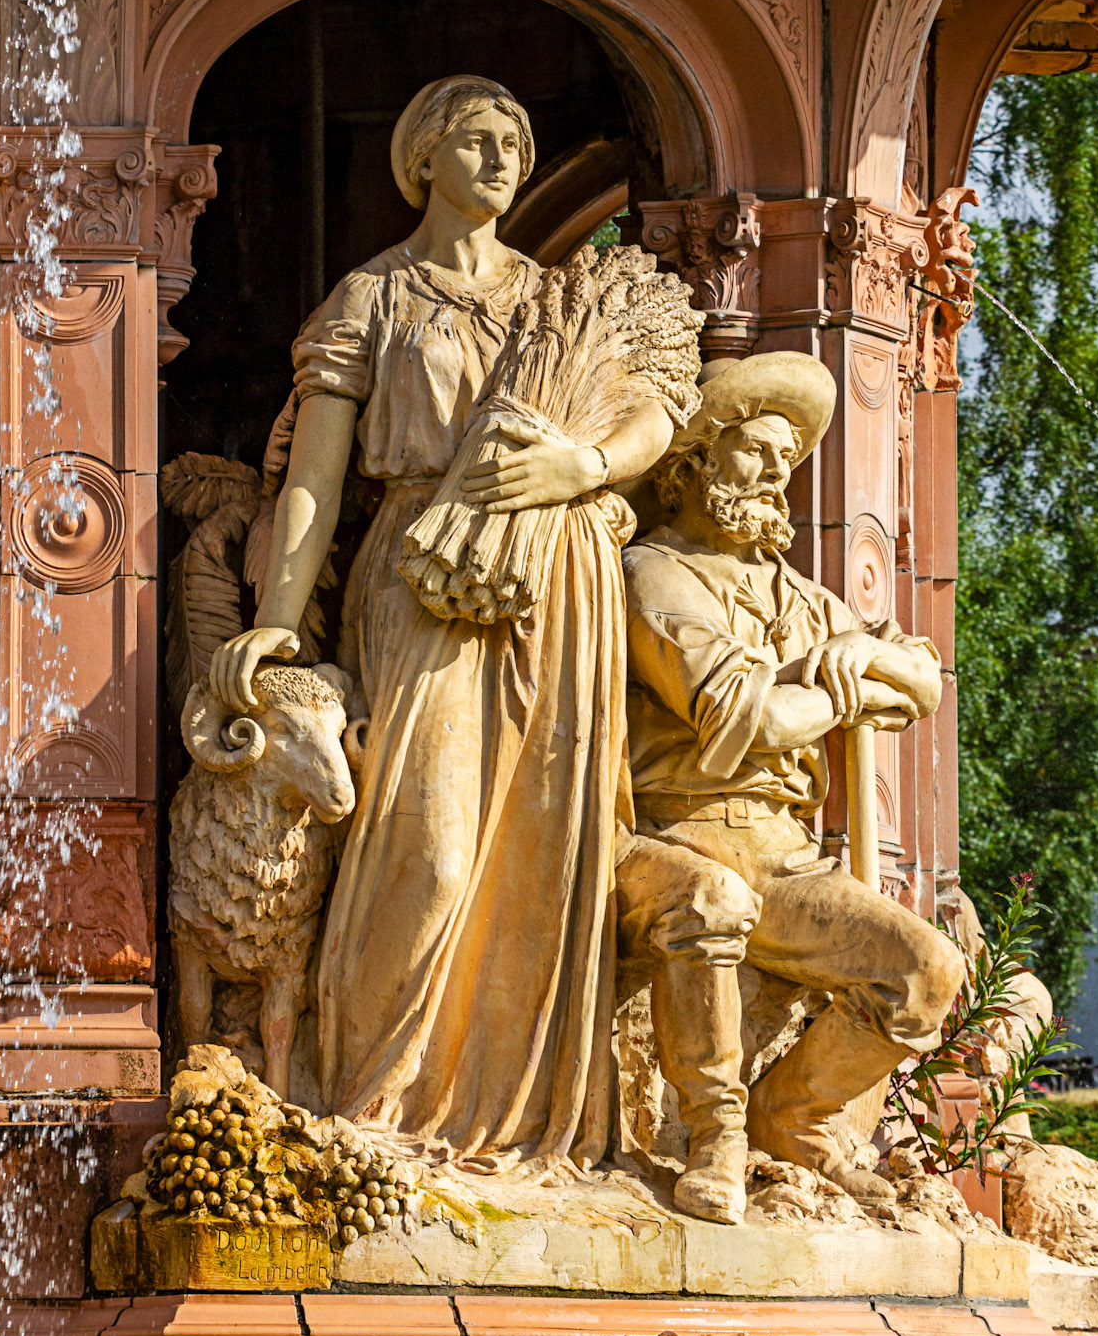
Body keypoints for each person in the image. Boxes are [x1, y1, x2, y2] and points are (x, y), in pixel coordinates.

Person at [208, 76, 681, 1167]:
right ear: (422, 159)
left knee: (543, 857)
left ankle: (522, 1131)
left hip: (557, 578)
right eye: (476, 139)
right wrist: (277, 618)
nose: (502, 159)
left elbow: (657, 408)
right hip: (422, 569)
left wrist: (584, 464)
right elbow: (316, 480)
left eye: (515, 141)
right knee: (424, 848)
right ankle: (372, 1112)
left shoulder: (557, 297)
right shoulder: (372, 297)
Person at [615, 353, 967, 1224]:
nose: (777, 472)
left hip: (786, 853)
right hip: (679, 832)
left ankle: (794, 1115)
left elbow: (923, 684)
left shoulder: (806, 601)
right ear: (692, 463)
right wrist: (845, 693)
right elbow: (751, 716)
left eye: (788, 457)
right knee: (711, 901)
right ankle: (714, 1134)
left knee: (929, 970)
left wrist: (866, 652)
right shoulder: (653, 574)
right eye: (755, 450)